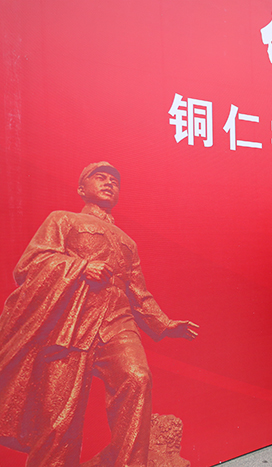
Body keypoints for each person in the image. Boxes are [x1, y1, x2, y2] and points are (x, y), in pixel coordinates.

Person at [0, 162, 199, 466]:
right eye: (100, 178)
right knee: (59, 418)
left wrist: (164, 323)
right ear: (82, 189)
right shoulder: (63, 219)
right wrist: (81, 267)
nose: (109, 183)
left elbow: (138, 292)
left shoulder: (127, 242)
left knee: (137, 378)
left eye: (114, 181)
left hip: (117, 321)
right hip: (72, 321)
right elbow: (29, 265)